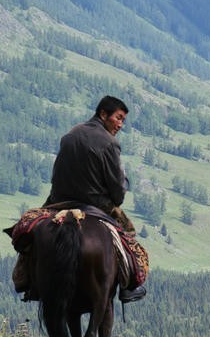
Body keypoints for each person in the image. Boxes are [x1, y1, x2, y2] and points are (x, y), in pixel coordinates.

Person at [13, 95, 147, 303]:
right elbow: (118, 193)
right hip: (95, 203)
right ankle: (128, 285)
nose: (121, 124)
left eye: (123, 120)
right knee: (127, 233)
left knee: (34, 230)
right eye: (118, 118)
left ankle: (26, 278)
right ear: (103, 114)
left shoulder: (70, 134)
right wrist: (120, 188)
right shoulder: (110, 143)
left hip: (59, 200)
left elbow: (57, 173)